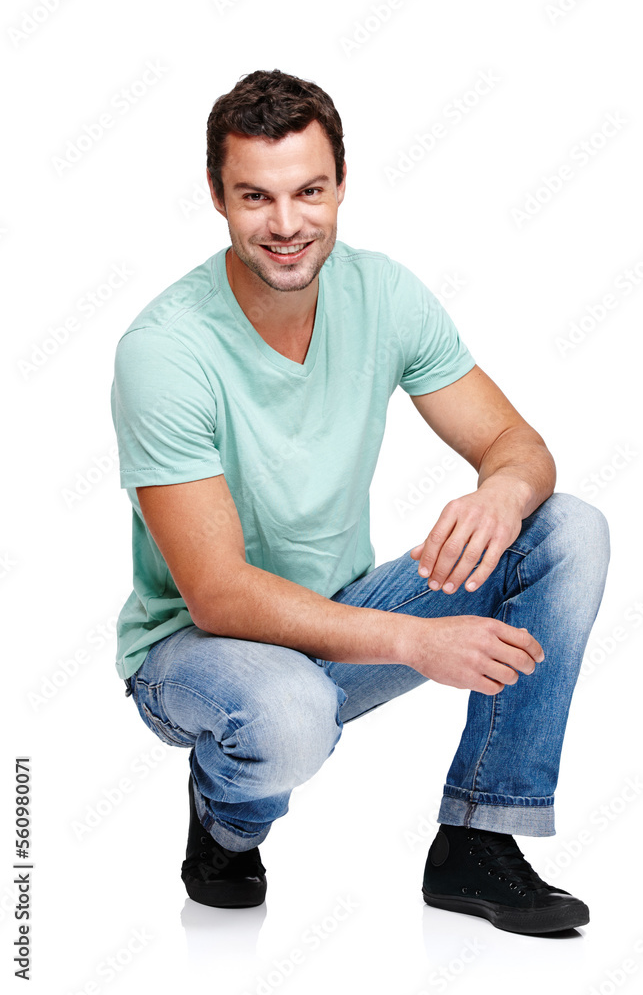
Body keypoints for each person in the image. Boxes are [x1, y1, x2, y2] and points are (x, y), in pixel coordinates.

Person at [110, 68, 610, 936]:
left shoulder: (384, 294)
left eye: (310, 191)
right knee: (286, 711)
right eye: (256, 197)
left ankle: (478, 842)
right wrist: (417, 641)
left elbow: (521, 448)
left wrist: (499, 491)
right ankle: (228, 821)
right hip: (200, 648)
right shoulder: (165, 351)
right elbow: (219, 593)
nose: (287, 224)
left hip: (339, 617)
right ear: (216, 197)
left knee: (565, 530)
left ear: (341, 183)